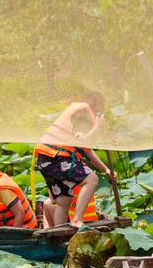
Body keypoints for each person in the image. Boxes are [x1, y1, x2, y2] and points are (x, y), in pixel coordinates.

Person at [33, 93, 115, 228]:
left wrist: (105, 169)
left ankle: (59, 232)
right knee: (92, 180)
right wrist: (98, 127)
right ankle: (77, 219)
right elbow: (81, 142)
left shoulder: (76, 109)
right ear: (96, 103)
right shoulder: (83, 111)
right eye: (102, 105)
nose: (102, 109)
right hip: (57, 157)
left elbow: (86, 150)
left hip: (45, 159)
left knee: (64, 201)